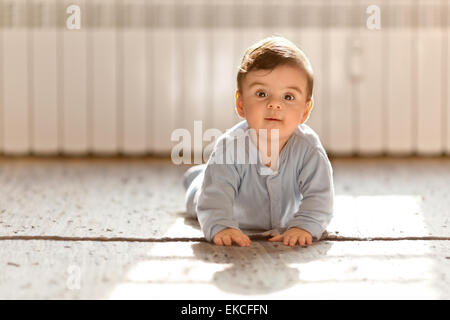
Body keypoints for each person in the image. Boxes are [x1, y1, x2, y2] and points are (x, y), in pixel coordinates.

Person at [183, 35, 334, 247]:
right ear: (241, 103)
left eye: (288, 97)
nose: (274, 104)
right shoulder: (230, 147)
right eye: (261, 93)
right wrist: (221, 225)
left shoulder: (309, 149)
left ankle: (205, 172)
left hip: (283, 214)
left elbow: (320, 196)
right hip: (223, 198)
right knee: (200, 197)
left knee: (216, 177)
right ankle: (199, 178)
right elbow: (214, 199)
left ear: (305, 111)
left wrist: (305, 225)